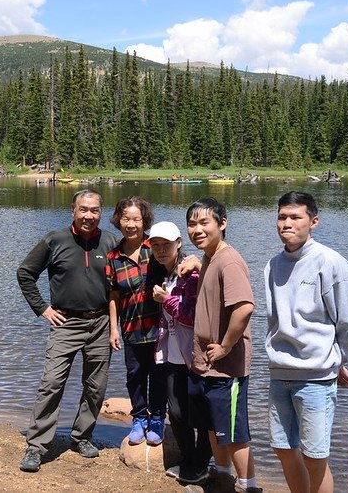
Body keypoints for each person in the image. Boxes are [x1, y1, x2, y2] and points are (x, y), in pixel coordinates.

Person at [264, 191, 348, 493]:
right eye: (282, 217)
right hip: (280, 373)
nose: (287, 223)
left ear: (313, 222)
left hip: (316, 378)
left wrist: (337, 361)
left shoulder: (330, 262)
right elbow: (273, 320)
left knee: (315, 456)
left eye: (295, 217)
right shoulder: (273, 265)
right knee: (282, 448)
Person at [16, 189, 117, 473]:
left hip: (100, 323)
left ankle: (82, 436)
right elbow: (25, 273)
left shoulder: (111, 242)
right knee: (52, 382)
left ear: (101, 212)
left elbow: (124, 281)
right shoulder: (54, 240)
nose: (89, 215)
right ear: (73, 210)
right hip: (66, 322)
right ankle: (36, 446)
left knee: (96, 386)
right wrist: (43, 309)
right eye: (83, 209)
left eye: (94, 210)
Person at [184, 198, 261, 493]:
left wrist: (226, 347)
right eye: (192, 224)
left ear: (222, 223)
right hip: (206, 365)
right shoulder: (209, 256)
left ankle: (248, 485)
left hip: (226, 367)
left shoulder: (229, 261)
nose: (197, 229)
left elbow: (244, 308)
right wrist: (194, 260)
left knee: (235, 431)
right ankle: (222, 476)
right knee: (214, 428)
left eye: (205, 223)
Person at [148, 221, 213, 486]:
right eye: (156, 245)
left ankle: (201, 464)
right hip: (174, 354)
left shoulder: (191, 273)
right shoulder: (161, 273)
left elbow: (191, 315)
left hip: (194, 355)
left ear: (179, 244)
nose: (161, 250)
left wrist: (167, 300)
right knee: (176, 412)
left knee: (201, 414)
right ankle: (191, 462)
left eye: (167, 244)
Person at [105, 196, 167, 445]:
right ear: (118, 221)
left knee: (159, 375)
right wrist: (113, 329)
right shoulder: (114, 257)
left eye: (136, 219)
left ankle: (158, 419)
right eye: (125, 218)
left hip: (160, 328)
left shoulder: (156, 248)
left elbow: (180, 266)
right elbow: (113, 295)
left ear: (145, 221)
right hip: (131, 327)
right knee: (135, 375)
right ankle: (139, 418)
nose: (131, 224)